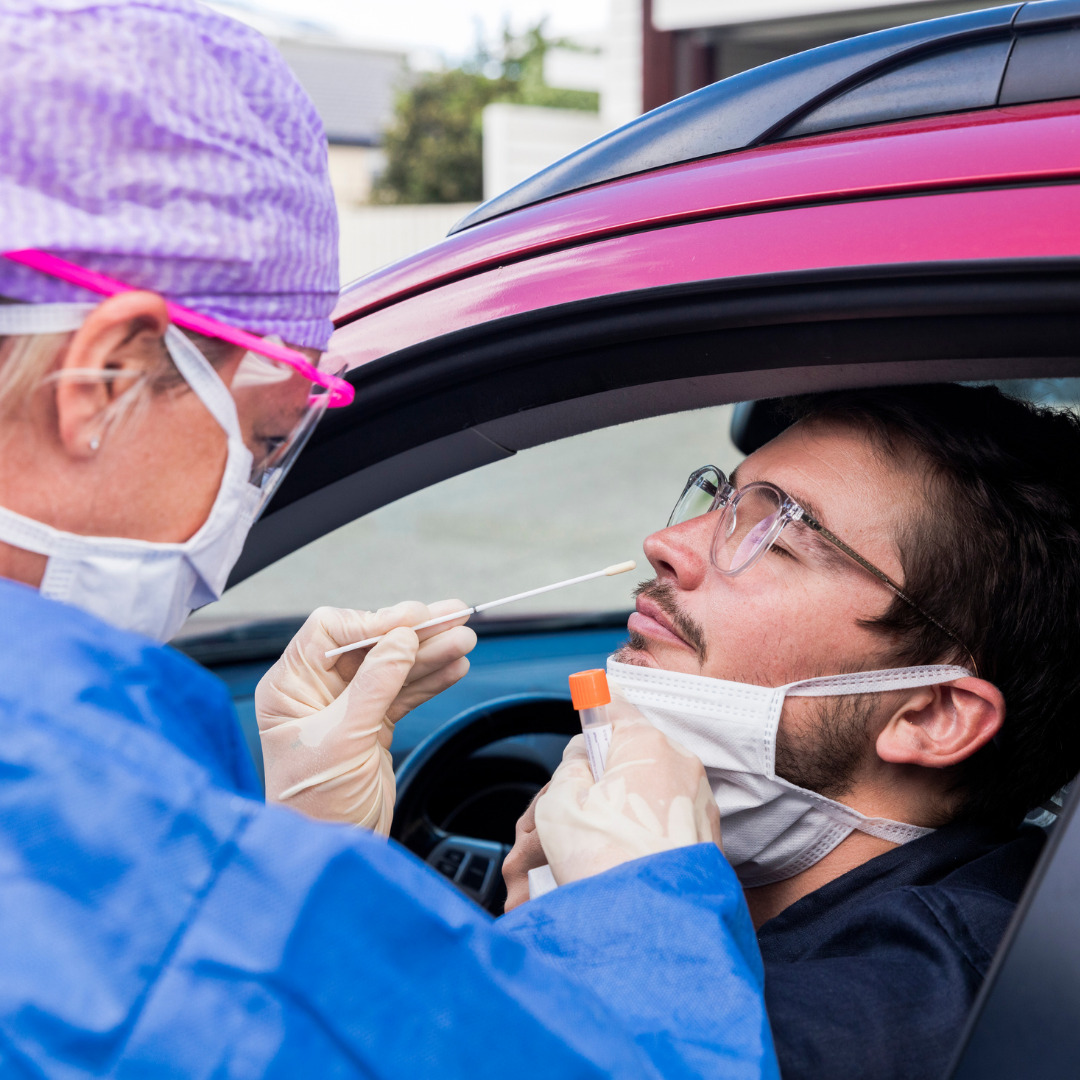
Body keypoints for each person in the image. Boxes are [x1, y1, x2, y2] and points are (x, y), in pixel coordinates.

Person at [0, 3, 784, 1077]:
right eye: (272, 437)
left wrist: (285, 849)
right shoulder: (88, 826)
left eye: (783, 534)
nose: (668, 544)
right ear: (103, 378)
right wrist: (639, 912)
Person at [503, 382, 1080, 1080]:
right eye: (720, 502)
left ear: (930, 715)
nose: (666, 545)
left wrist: (626, 925)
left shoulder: (941, 1001)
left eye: (776, 536)